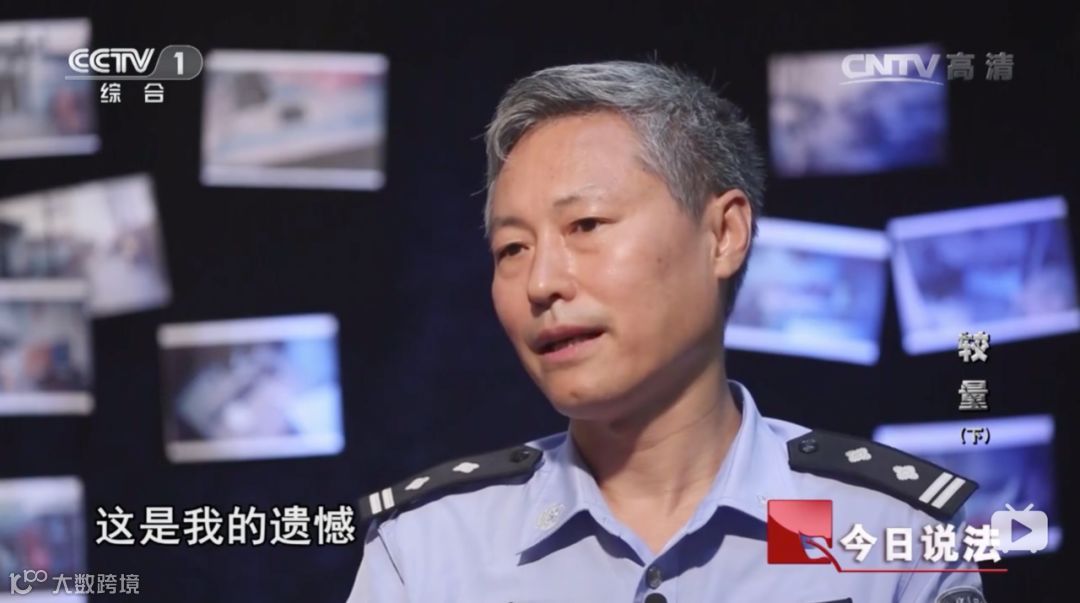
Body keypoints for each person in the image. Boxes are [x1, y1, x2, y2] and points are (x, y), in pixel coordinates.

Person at [345, 61, 987, 603]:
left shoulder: (891, 529)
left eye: (586, 225)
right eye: (512, 248)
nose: (541, 283)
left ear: (724, 234)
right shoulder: (428, 547)